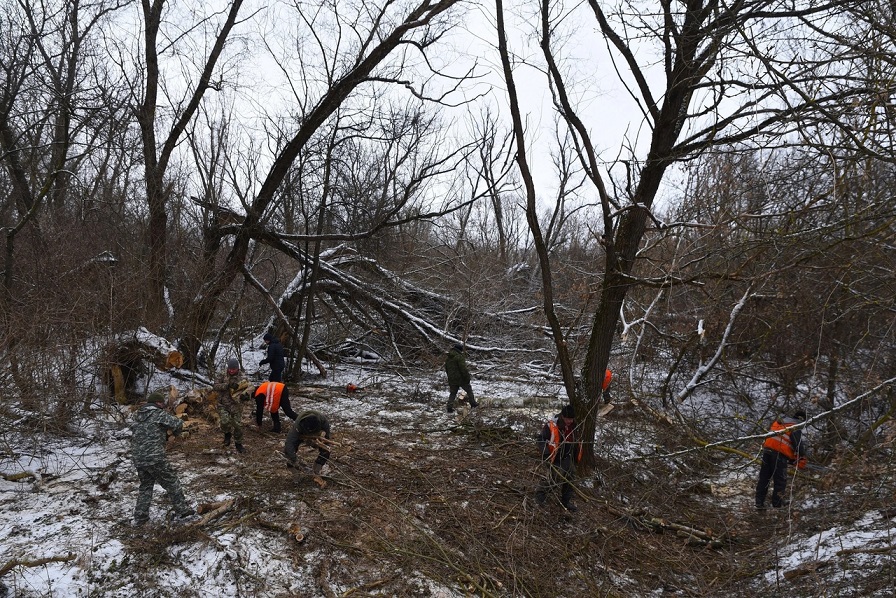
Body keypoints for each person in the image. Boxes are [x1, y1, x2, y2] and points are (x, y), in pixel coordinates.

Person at [130, 392, 196, 526]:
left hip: (138, 457)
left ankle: (140, 517)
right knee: (171, 482)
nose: (163, 406)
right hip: (155, 457)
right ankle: (182, 511)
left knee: (146, 486)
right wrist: (176, 433)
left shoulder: (137, 416)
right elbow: (177, 423)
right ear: (158, 403)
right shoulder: (158, 414)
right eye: (162, 404)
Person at [755, 409, 808, 510]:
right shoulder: (795, 426)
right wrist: (801, 457)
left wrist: (791, 458)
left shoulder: (780, 421)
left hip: (767, 451)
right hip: (779, 455)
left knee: (764, 478)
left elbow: (783, 440)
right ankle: (777, 504)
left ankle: (759, 502)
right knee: (780, 480)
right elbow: (798, 445)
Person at [535, 404, 583, 512]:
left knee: (570, 480)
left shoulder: (575, 426)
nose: (570, 421)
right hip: (554, 457)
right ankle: (540, 496)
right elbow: (540, 439)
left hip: (568, 457)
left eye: (571, 419)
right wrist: (546, 453)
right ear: (562, 416)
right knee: (554, 478)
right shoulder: (552, 425)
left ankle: (565, 502)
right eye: (568, 419)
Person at [213, 357, 251, 454]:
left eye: (233, 369)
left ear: (237, 369)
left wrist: (246, 396)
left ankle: (238, 444)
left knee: (237, 425)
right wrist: (227, 385)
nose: (231, 371)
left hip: (236, 405)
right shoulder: (222, 374)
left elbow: (250, 387)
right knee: (225, 421)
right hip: (223, 404)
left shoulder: (242, 377)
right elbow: (215, 386)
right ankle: (227, 434)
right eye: (230, 369)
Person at [284, 410, 332, 475]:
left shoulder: (323, 422)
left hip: (318, 434)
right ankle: (295, 473)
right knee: (288, 450)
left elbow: (327, 442)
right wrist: (294, 459)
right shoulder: (298, 425)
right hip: (303, 432)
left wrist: (322, 445)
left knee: (326, 449)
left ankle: (317, 470)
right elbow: (289, 443)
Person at [444, 343, 477, 413]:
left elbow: (446, 368)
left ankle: (449, 407)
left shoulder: (449, 357)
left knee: (453, 393)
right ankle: (473, 404)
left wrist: (450, 376)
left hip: (452, 378)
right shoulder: (459, 357)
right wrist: (467, 378)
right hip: (460, 379)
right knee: (469, 390)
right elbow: (463, 369)